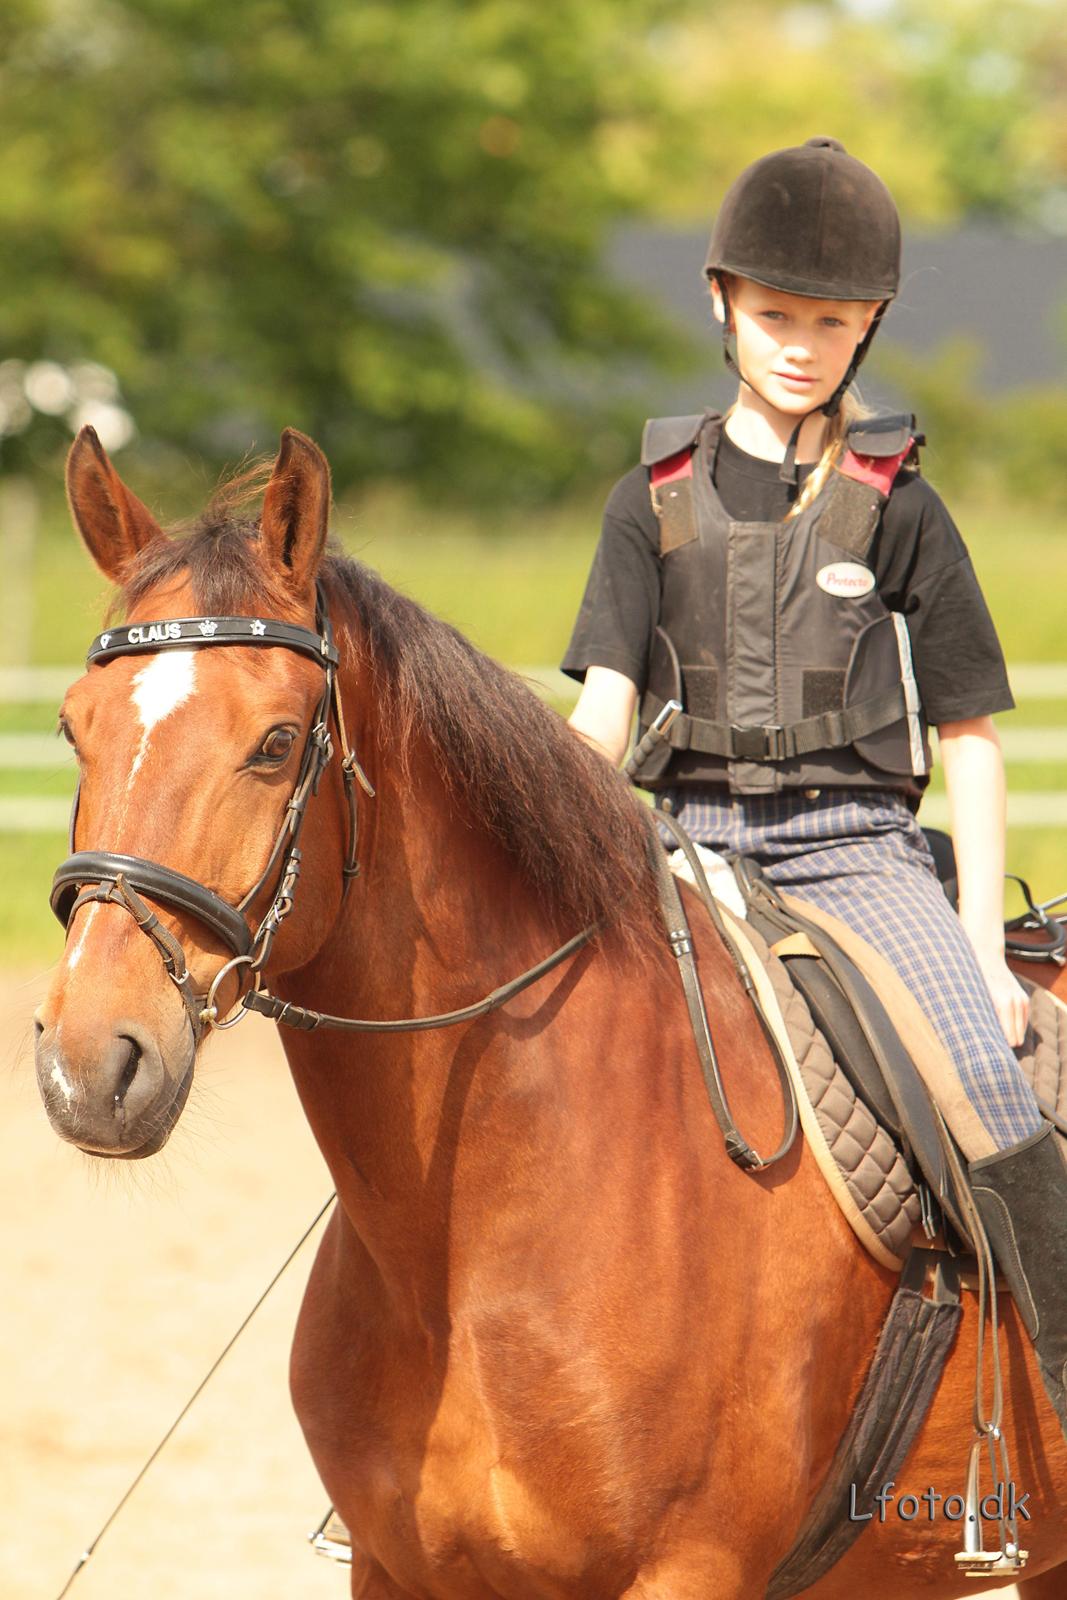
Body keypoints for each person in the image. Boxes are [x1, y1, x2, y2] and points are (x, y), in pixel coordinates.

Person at [562, 136, 1067, 1438]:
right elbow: (604, 713)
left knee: (988, 1083)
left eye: (830, 323)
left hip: (855, 852)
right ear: (723, 302)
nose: (800, 344)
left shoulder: (900, 503)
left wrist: (976, 945)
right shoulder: (649, 500)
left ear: (869, 327)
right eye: (777, 315)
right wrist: (547, 846)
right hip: (683, 847)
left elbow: (967, 736)